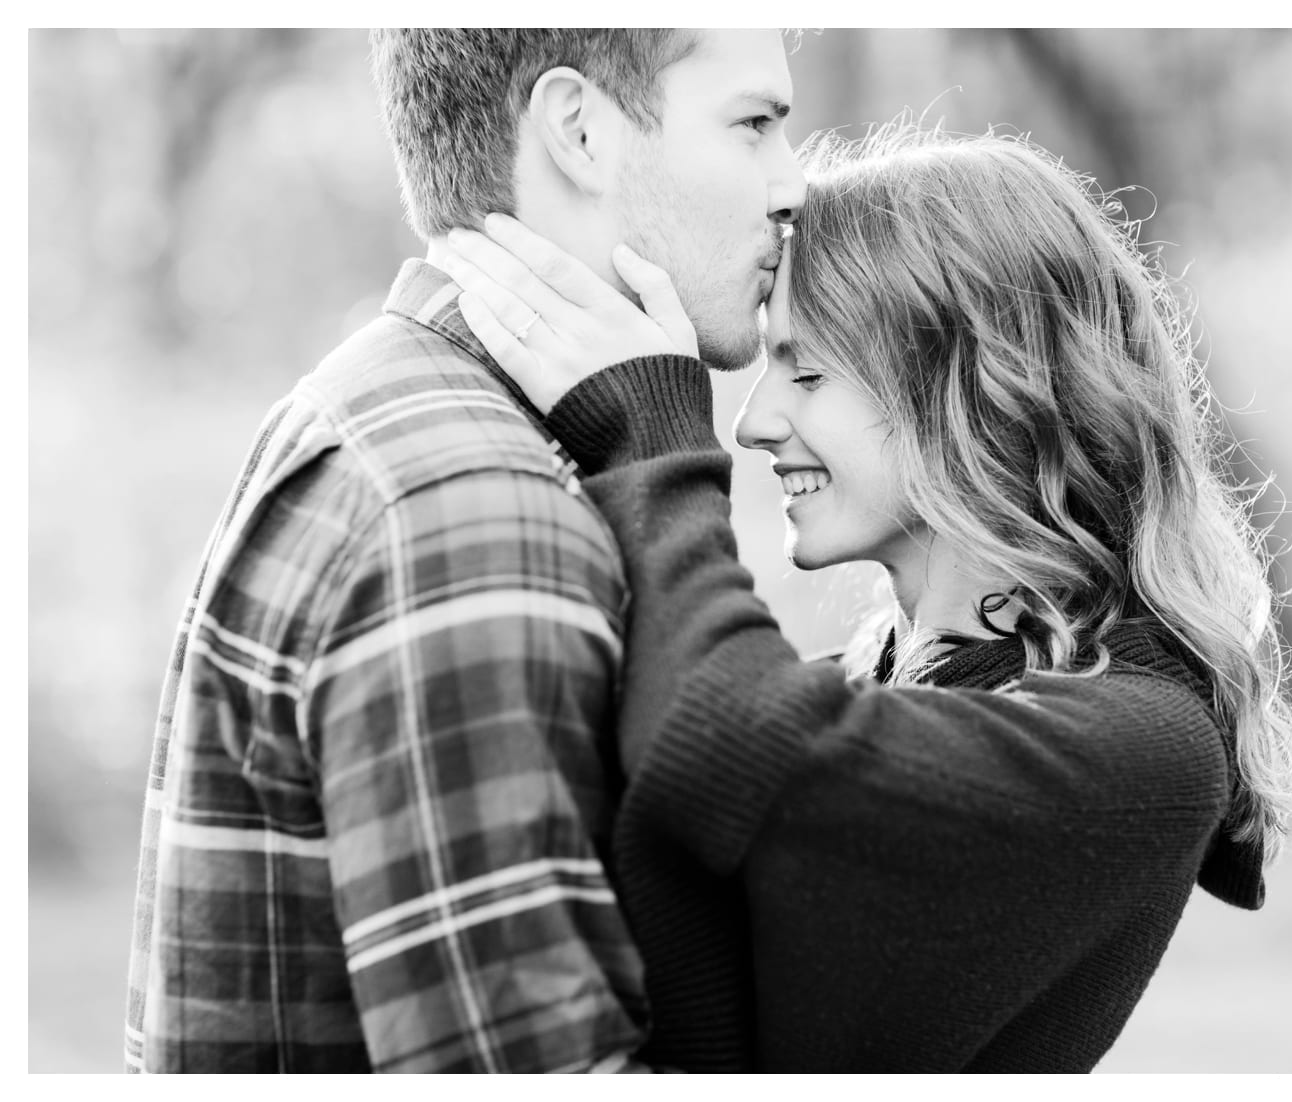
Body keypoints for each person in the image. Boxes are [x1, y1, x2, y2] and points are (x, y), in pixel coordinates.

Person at [437, 121, 1292, 1072]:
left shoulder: (1143, 746)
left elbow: (731, 747)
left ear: (977, 389)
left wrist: (650, 429)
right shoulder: (877, 688)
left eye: (807, 372)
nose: (754, 423)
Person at [123, 28, 805, 1073]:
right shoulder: (472, 507)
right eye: (753, 123)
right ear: (578, 130)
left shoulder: (396, 410)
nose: (789, 185)